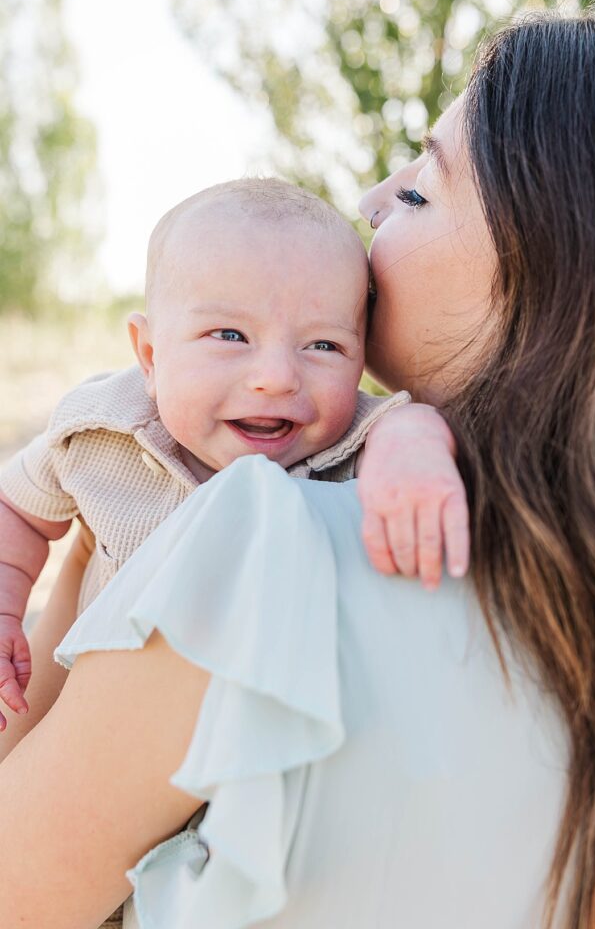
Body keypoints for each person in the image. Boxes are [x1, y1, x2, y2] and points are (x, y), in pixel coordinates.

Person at [1, 10, 595, 929]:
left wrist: (64, 601)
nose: (369, 195)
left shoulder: (254, 551)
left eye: (419, 193)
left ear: (555, 268)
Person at [0, 177, 468, 736]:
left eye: (324, 346)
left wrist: (412, 447)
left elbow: (398, 419)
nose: (275, 377)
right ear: (150, 357)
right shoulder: (101, 428)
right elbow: (17, 507)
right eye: (229, 335)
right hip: (98, 738)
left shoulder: (347, 441)